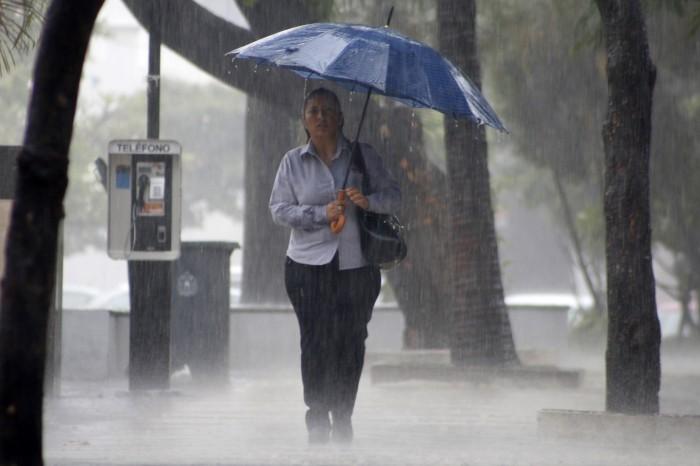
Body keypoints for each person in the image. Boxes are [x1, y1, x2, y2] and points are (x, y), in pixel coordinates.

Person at [269, 87, 401, 444]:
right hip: (306, 266)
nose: (321, 117)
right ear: (304, 120)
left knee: (351, 341)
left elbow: (393, 196)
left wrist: (367, 201)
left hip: (356, 267)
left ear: (342, 118)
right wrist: (319, 214)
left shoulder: (363, 156)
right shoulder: (292, 162)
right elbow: (279, 209)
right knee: (315, 341)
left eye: (328, 110)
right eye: (313, 111)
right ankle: (317, 415)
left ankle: (343, 414)